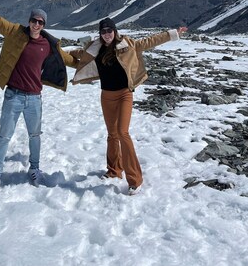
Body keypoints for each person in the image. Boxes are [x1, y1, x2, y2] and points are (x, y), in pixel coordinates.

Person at [0, 0, 78, 191]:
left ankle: (34, 169)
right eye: (34, 21)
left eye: (40, 22)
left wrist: (94, 62)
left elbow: (69, 59)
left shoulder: (48, 45)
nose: (36, 25)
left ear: (44, 25)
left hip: (34, 98)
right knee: (4, 137)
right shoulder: (15, 32)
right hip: (13, 96)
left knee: (35, 136)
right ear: (29, 21)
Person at [71, 17, 187, 196]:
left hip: (125, 94)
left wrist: (173, 34)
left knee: (123, 133)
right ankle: (114, 171)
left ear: (115, 31)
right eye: (103, 31)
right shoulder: (94, 48)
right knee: (112, 134)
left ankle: (135, 180)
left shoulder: (129, 44)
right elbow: (78, 54)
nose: (107, 34)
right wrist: (54, 51)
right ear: (100, 34)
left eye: (110, 30)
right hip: (106, 96)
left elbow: (150, 41)